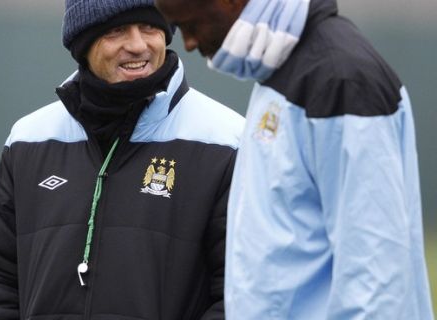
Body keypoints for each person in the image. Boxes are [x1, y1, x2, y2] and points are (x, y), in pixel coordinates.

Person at [155, 0, 435, 319]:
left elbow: (377, 276)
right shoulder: (287, 69)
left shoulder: (341, 79)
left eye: (190, 26)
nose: (189, 43)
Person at [0, 1, 245, 319]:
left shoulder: (226, 140)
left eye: (150, 27)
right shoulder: (28, 139)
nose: (138, 45)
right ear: (83, 43)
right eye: (117, 30)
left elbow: (240, 294)